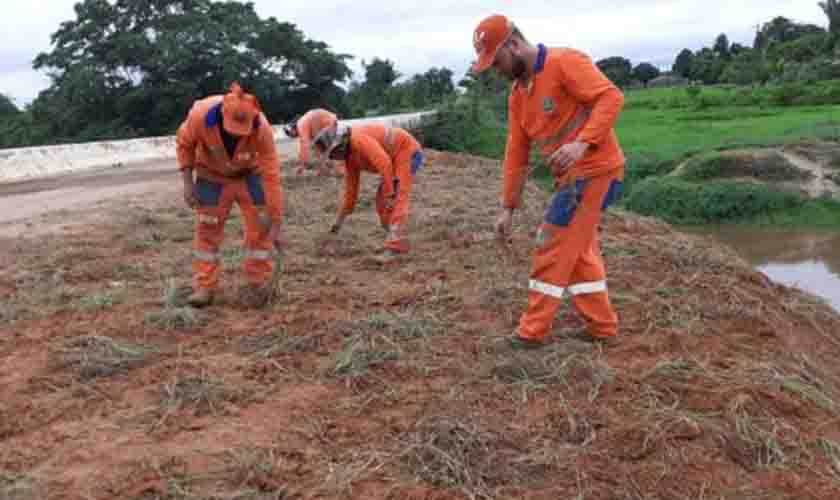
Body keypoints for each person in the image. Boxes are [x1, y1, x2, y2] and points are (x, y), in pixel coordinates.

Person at [471, 14, 626, 347]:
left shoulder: (564, 62)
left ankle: (531, 333)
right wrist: (507, 207)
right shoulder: (517, 96)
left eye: (496, 61)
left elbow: (611, 98)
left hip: (596, 172)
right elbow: (516, 152)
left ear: (513, 44)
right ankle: (602, 328)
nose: (496, 70)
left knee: (550, 242)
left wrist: (582, 142)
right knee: (578, 254)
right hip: (571, 180)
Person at [176, 82, 285, 307]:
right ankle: (205, 287)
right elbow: (184, 144)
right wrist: (187, 183)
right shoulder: (200, 115)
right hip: (211, 175)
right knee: (207, 230)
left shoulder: (261, 127)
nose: (236, 136)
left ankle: (258, 284)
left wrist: (275, 218)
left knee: (261, 227)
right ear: (222, 115)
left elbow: (271, 173)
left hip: (250, 175)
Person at [314, 122, 424, 261]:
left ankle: (395, 245)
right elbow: (351, 193)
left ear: (340, 143)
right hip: (393, 160)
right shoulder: (350, 159)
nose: (334, 158)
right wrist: (338, 223)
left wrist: (390, 194)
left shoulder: (358, 140)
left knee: (396, 198)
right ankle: (394, 239)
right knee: (381, 203)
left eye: (333, 154)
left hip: (407, 152)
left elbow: (383, 162)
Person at [282, 109, 344, 176]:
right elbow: (316, 147)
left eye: (290, 134)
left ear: (292, 129)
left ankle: (340, 170)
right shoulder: (305, 124)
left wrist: (302, 165)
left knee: (328, 149)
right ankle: (326, 169)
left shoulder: (301, 125)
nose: (292, 136)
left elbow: (304, 146)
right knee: (320, 147)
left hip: (328, 123)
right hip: (328, 121)